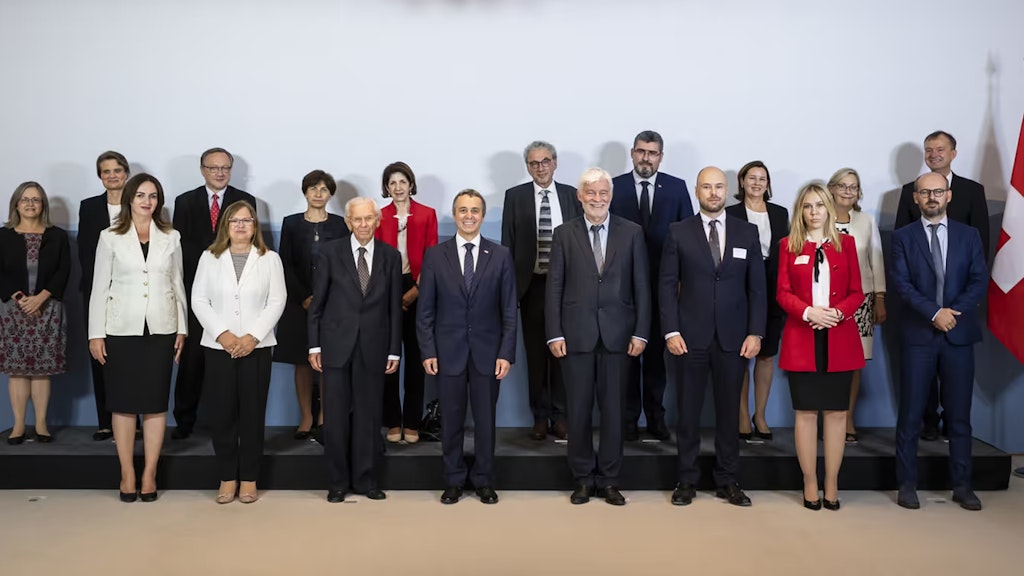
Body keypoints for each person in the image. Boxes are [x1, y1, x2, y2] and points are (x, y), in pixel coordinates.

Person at [661, 167, 766, 507]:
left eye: (719, 186)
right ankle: (686, 480)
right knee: (688, 413)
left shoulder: (746, 232)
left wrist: (756, 332)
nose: (714, 192)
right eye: (707, 187)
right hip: (688, 338)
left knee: (728, 414)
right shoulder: (679, 232)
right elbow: (665, 286)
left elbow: (757, 289)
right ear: (697, 191)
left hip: (735, 338)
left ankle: (728, 480)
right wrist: (671, 330)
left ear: (727, 190)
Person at [546, 167, 650, 506]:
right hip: (575, 336)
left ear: (611, 195)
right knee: (577, 411)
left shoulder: (632, 232)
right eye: (591, 193)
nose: (597, 199)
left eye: (603, 193)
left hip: (620, 336)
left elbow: (642, 287)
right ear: (580, 196)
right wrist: (553, 333)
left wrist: (641, 332)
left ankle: (609, 480)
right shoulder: (563, 234)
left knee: (614, 412)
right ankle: (581, 479)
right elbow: (554, 288)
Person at [891, 172, 988, 511]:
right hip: (919, 335)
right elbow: (902, 284)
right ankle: (907, 484)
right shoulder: (903, 237)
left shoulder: (969, 235)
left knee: (959, 416)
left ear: (949, 196)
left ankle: (962, 485)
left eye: (938, 191)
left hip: (958, 335)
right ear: (915, 198)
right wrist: (934, 313)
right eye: (924, 192)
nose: (931, 197)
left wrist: (952, 313)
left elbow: (979, 280)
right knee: (911, 415)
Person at [89, 173, 187, 502]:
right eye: (141, 195)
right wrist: (95, 333)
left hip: (161, 329)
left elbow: (177, 285)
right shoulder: (110, 236)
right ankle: (127, 471)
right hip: (120, 330)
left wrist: (182, 328)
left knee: (156, 404)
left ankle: (150, 473)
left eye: (154, 196)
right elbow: (99, 287)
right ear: (129, 198)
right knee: (124, 405)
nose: (147, 201)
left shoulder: (171, 236)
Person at [417, 189, 517, 505]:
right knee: (452, 420)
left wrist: (506, 352)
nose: (469, 215)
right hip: (448, 352)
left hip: (489, 353)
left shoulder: (500, 255)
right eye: (463, 210)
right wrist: (428, 350)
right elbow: (426, 311)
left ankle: (484, 480)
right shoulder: (435, 255)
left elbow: (509, 310)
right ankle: (454, 480)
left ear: (483, 215)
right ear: (455, 214)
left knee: (486, 421)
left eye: (475, 210)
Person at [894, 131, 988, 441]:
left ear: (953, 153)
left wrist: (956, 308)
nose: (934, 154)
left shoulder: (972, 191)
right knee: (917, 394)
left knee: (958, 401)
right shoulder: (911, 190)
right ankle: (929, 424)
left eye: (940, 149)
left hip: (959, 308)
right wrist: (933, 311)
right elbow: (902, 247)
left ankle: (954, 448)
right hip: (920, 310)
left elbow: (981, 249)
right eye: (929, 149)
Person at [777, 183, 864, 511]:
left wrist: (838, 313)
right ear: (800, 211)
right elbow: (782, 292)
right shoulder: (788, 245)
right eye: (807, 206)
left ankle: (832, 481)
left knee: (838, 413)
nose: (814, 212)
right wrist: (808, 312)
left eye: (819, 205)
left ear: (830, 208)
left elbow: (857, 291)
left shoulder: (847, 245)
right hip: (803, 336)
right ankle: (810, 481)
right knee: (806, 412)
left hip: (839, 337)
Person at [192, 200, 286, 504]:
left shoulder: (269, 258)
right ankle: (227, 477)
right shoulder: (210, 257)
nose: (241, 226)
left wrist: (252, 337)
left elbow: (277, 301)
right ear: (226, 226)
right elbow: (199, 300)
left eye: (247, 221)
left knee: (252, 415)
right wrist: (224, 335)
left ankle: (249, 478)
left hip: (256, 349)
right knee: (222, 415)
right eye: (235, 221)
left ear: (255, 226)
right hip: (219, 347)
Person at [309, 197, 402, 503]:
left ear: (378, 221)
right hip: (335, 347)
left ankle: (365, 480)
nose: (363, 225)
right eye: (357, 220)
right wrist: (315, 345)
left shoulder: (390, 256)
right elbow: (317, 305)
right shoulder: (329, 253)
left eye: (369, 219)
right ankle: (337, 483)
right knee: (335, 419)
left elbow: (394, 310)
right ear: (348, 222)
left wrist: (393, 350)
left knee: (368, 418)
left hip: (374, 348)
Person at [610, 130, 694, 441]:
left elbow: (688, 236)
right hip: (622, 287)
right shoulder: (614, 187)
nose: (646, 158)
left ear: (661, 156)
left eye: (653, 153)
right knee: (628, 356)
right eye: (642, 152)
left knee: (657, 357)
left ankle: (657, 418)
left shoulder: (676, 188)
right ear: (632, 153)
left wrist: (684, 282)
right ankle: (629, 418)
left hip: (664, 286)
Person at [171, 147, 259, 440]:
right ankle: (184, 421)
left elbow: (253, 244)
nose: (220, 173)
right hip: (197, 291)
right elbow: (180, 250)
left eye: (225, 168)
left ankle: (223, 422)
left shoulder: (245, 202)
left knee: (227, 362)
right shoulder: (185, 201)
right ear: (202, 170)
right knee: (192, 360)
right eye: (213, 168)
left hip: (235, 291)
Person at [501, 141, 580, 441]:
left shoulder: (572, 195)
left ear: (555, 163)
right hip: (531, 285)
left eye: (545, 161)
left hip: (566, 287)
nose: (540, 167)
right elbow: (507, 244)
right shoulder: (515, 196)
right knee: (535, 355)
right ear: (528, 167)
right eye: (534, 163)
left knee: (562, 354)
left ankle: (561, 416)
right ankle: (539, 416)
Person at [275, 170, 348, 440]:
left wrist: (325, 296)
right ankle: (306, 416)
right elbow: (286, 263)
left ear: (331, 195)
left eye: (324, 189)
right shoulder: (291, 223)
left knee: (329, 360)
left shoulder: (341, 224)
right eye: (313, 189)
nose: (318, 194)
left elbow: (344, 264)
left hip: (332, 303)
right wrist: (304, 295)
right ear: (305, 192)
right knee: (302, 362)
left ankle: (325, 416)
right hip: (298, 303)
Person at [0, 182, 70, 444]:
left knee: (42, 369)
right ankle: (18, 425)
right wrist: (20, 298)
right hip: (12, 310)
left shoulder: (58, 236)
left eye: (36, 200)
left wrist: (41, 297)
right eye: (25, 199)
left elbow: (63, 270)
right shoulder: (3, 235)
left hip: (48, 309)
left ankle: (41, 424)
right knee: (17, 370)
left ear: (43, 205)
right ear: (16, 204)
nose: (30, 204)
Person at [726, 161, 789, 441]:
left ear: (768, 183)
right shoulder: (731, 213)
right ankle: (741, 414)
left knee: (766, 353)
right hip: (739, 288)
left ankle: (760, 414)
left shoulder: (779, 213)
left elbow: (787, 251)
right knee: (741, 353)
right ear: (742, 182)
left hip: (774, 288)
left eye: (762, 178)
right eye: (751, 178)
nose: (757, 183)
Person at [376, 161, 438, 444]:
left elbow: (432, 257)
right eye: (392, 183)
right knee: (389, 359)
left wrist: (415, 291)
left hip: (419, 287)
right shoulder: (378, 215)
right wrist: (392, 296)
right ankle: (391, 421)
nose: (398, 187)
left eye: (403, 182)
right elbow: (376, 260)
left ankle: (411, 422)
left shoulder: (427, 214)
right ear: (386, 188)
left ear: (411, 184)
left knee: (415, 359)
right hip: (386, 289)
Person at [828, 168, 886, 443]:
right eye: (843, 186)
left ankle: (848, 417)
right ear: (831, 189)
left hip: (860, 302)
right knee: (825, 361)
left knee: (852, 363)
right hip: (825, 303)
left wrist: (880, 298)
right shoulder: (818, 218)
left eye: (854, 187)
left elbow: (877, 260)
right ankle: (827, 418)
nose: (848, 191)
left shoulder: (866, 221)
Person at [79, 151, 130, 441]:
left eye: (117, 170)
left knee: (128, 358)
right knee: (99, 354)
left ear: (126, 173)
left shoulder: (140, 202)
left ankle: (131, 418)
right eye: (105, 171)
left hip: (132, 292)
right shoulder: (89, 207)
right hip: (97, 291)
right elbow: (84, 250)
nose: (112, 175)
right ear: (100, 176)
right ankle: (104, 421)